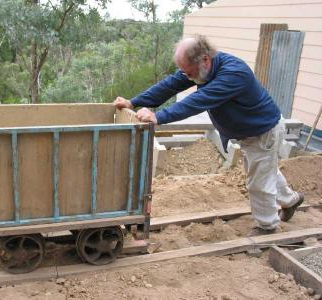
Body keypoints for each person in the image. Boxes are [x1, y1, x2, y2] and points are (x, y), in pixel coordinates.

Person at [113, 34, 304, 234]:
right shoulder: (202, 68)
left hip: (264, 132)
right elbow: (169, 85)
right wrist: (133, 102)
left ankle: (268, 226)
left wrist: (159, 117)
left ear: (205, 59)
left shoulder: (233, 73)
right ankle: (291, 201)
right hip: (251, 131)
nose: (186, 77)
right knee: (264, 170)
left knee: (259, 182)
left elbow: (199, 100)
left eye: (189, 73)